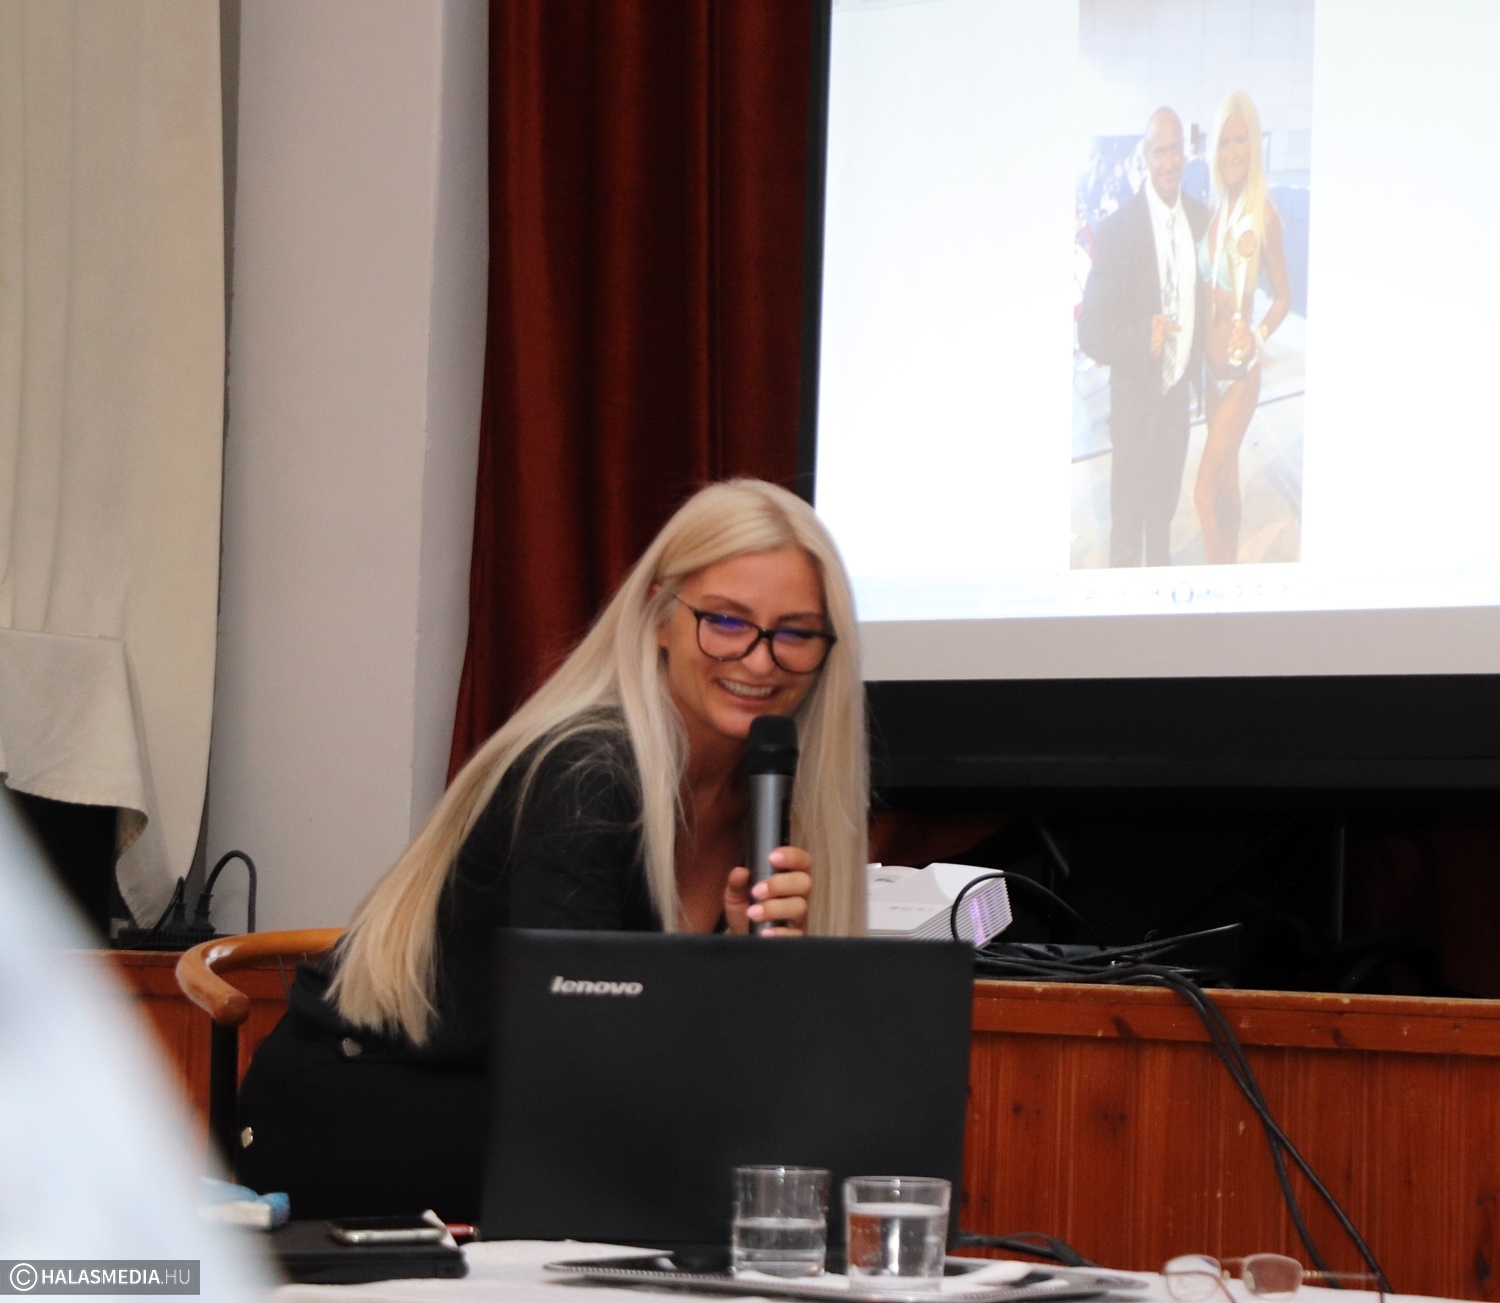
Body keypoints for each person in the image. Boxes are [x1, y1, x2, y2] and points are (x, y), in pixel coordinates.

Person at [236, 479, 869, 1220]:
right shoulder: (585, 773)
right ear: (659, 618)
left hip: (537, 1113)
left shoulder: (775, 800)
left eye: (795, 633)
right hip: (372, 1097)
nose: (760, 661)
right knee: (692, 1187)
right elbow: (580, 1050)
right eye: (726, 621)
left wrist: (743, 955)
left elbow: (707, 1065)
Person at [1078, 107, 1209, 568]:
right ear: (1146, 156)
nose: (1169, 162)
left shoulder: (1201, 221)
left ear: (1185, 153)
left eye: (1175, 150)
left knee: (1162, 525)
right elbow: (1089, 329)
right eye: (1159, 152)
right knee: (1127, 536)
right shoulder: (1118, 230)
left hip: (1176, 407)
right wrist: (1140, 340)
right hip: (1135, 409)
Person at [1194, 91, 1291, 564]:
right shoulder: (1215, 213)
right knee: (1227, 486)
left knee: (1202, 495)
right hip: (1209, 375)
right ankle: (1229, 571)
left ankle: (1217, 585)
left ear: (1254, 144)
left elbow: (1285, 297)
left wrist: (1256, 335)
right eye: (1224, 142)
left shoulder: (1263, 215)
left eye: (1240, 140)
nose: (1231, 152)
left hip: (1238, 375)